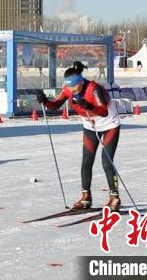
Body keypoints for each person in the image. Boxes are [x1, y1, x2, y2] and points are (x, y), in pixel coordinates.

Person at [37, 66, 122, 211]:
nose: (71, 89)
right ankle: (86, 197)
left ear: (81, 81)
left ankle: (115, 197)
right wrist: (44, 101)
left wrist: (87, 105)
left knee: (107, 162)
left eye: (74, 85)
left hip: (109, 124)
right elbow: (55, 106)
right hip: (90, 126)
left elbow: (103, 111)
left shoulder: (94, 89)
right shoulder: (68, 89)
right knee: (86, 162)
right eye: (68, 85)